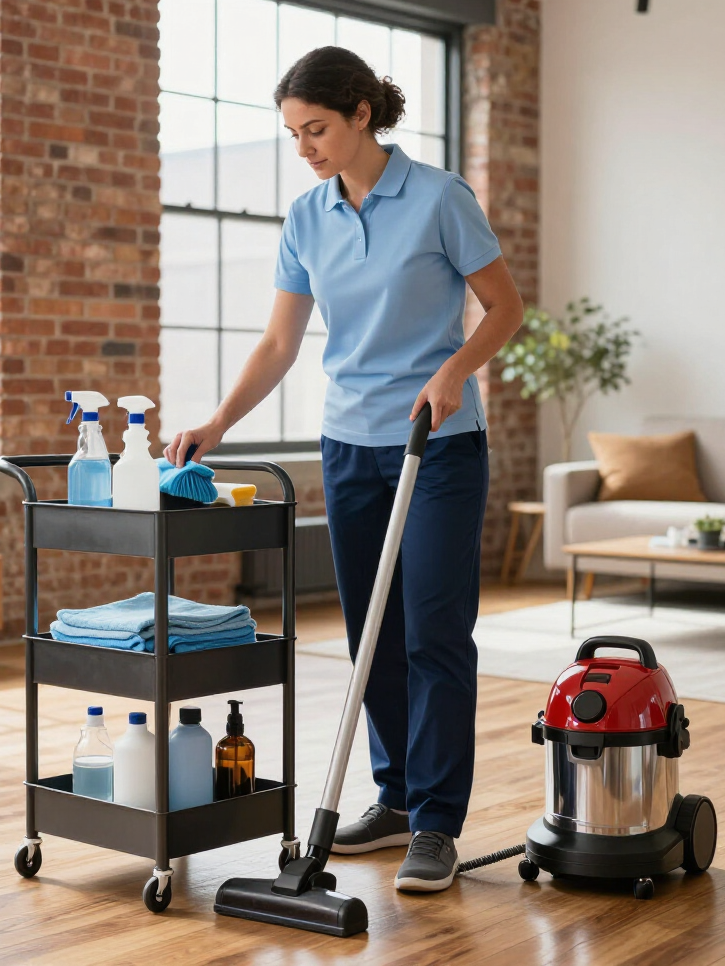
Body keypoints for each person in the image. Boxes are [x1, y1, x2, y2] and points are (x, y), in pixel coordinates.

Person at [164, 46, 524, 893]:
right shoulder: (307, 216)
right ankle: (395, 798)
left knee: (433, 630)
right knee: (371, 637)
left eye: (316, 129)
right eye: (293, 134)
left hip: (434, 443)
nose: (306, 148)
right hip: (349, 443)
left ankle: (436, 821)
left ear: (363, 111)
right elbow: (281, 342)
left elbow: (505, 307)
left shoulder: (440, 198)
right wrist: (219, 420)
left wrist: (453, 372)